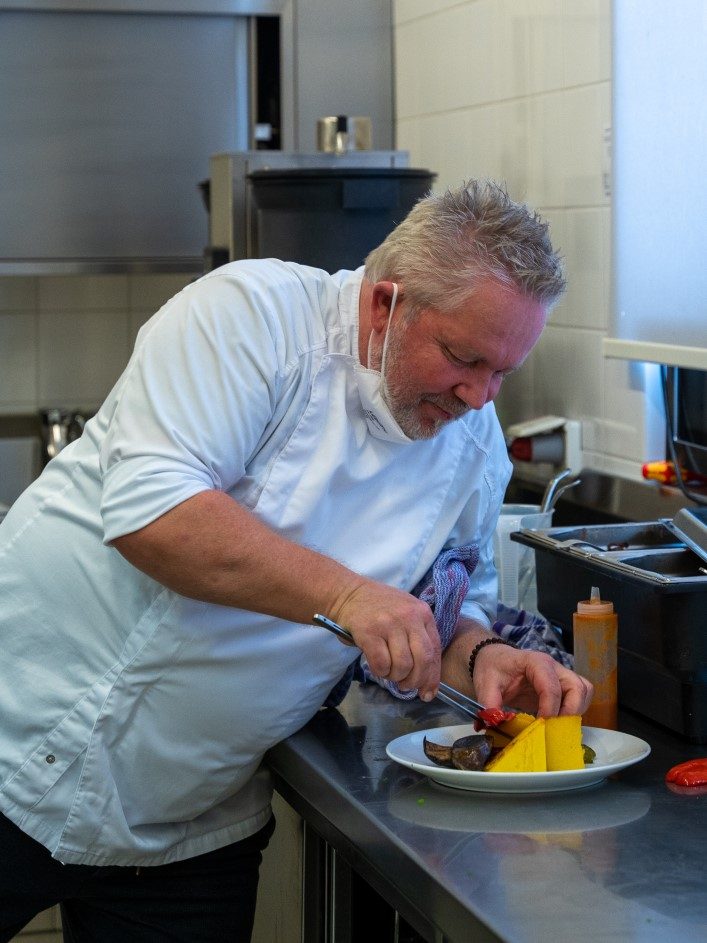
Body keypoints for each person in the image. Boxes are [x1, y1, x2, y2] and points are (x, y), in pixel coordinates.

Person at [0, 180, 592, 941]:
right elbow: (152, 513)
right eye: (461, 357)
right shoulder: (253, 317)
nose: (480, 396)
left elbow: (451, 599)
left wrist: (481, 651)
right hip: (20, 740)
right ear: (387, 305)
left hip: (187, 822)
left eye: (502, 372)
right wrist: (349, 596)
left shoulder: (471, 446)